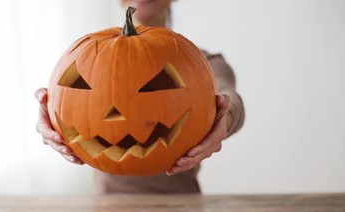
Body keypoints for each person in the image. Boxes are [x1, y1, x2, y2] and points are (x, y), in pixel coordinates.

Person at [35, 0, 245, 194]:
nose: (116, 114)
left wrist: (224, 116)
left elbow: (229, 98)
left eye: (152, 88)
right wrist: (51, 112)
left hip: (181, 207)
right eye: (85, 86)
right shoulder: (86, 55)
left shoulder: (202, 63)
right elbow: (63, 98)